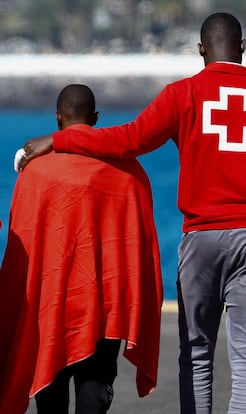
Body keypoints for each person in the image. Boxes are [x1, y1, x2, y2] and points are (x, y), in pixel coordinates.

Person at [18, 13, 246, 414]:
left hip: (201, 242)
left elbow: (129, 141)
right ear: (243, 47)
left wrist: (60, 139)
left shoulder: (182, 95)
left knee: (196, 356)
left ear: (200, 50)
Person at [0, 84, 163, 414]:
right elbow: (140, 248)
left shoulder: (35, 173)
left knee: (51, 395)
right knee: (94, 396)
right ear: (96, 119)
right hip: (106, 308)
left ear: (58, 118)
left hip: (51, 305)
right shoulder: (130, 173)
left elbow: (22, 248)